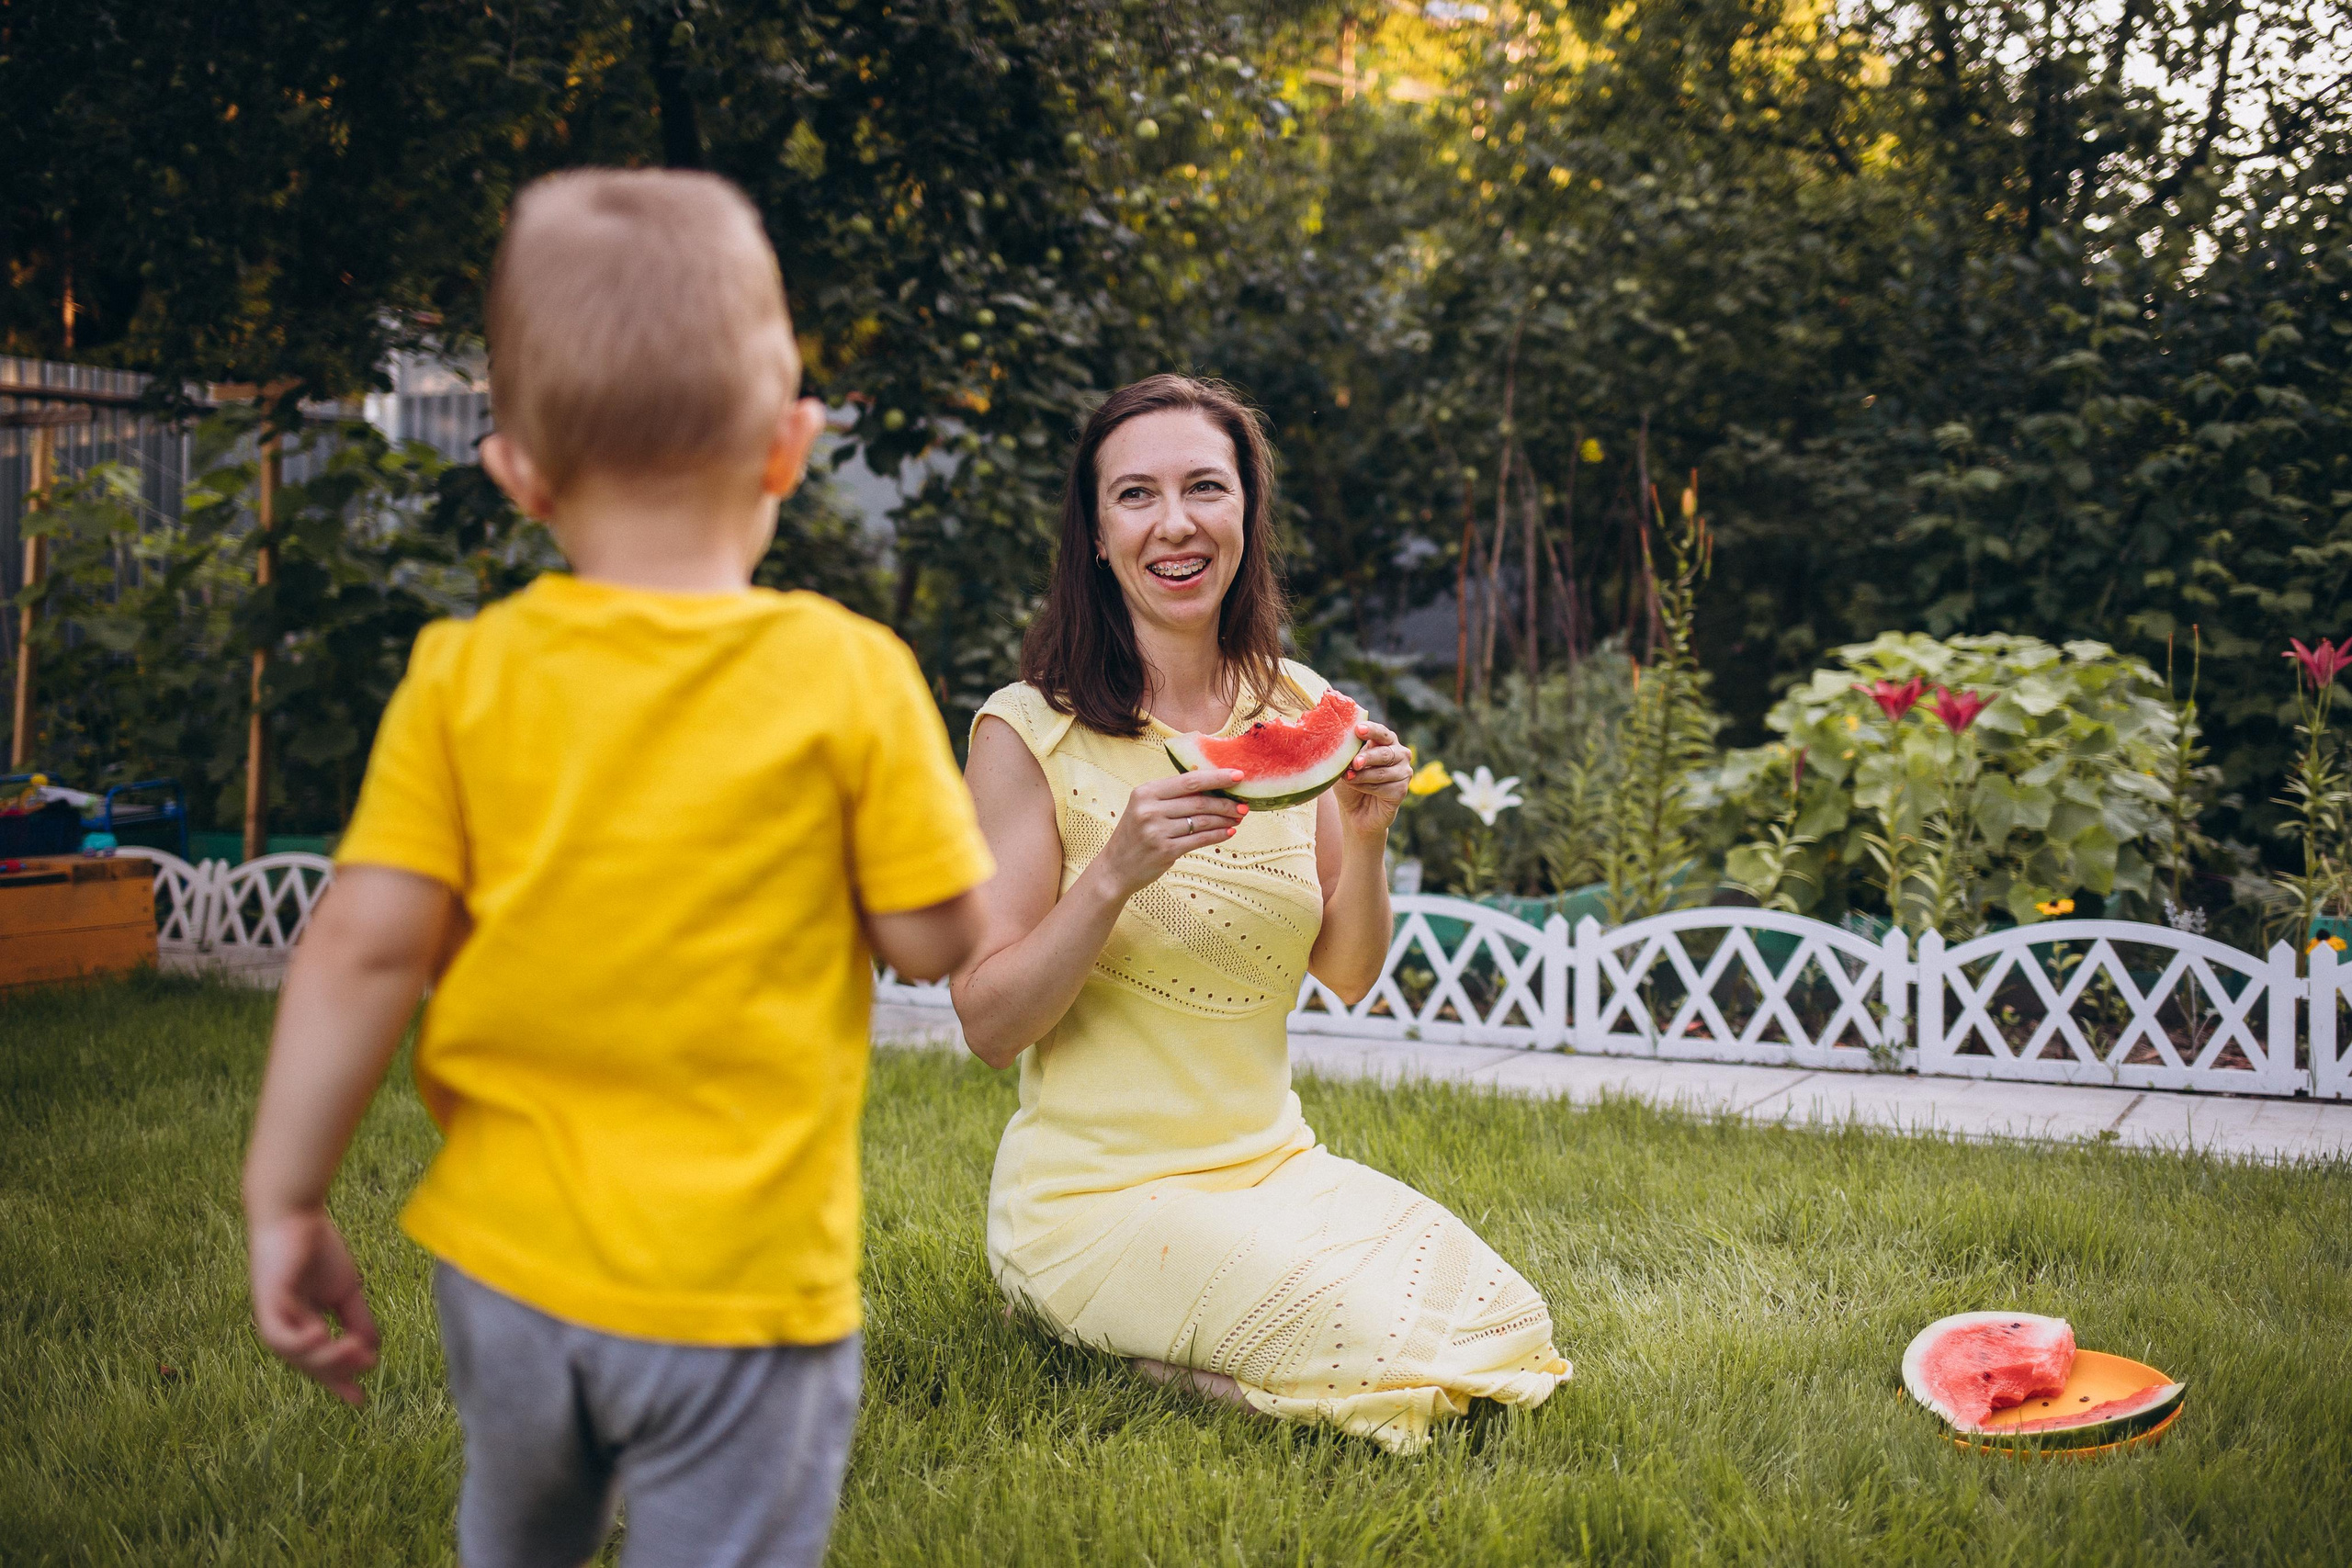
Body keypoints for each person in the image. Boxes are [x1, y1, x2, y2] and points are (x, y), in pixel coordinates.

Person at [240, 169, 995, 1568]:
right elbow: (934, 934)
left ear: (516, 470)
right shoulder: (852, 676)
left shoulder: (464, 677)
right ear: (792, 444)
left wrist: (287, 1197)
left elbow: (360, 944)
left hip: (509, 1271)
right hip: (746, 1289)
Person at [951, 374, 1569, 1454]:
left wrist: (1368, 837)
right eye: (1136, 496)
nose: (1175, 523)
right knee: (1378, 1355)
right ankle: (1073, 1310)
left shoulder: (1294, 704)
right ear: (1096, 534)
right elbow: (988, 1023)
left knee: (1503, 1322)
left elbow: (1348, 971)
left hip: (1277, 1168)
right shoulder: (1026, 735)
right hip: (1096, 1194)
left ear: (1245, 512)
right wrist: (1112, 877)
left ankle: (1189, 1334)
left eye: (1205, 488)